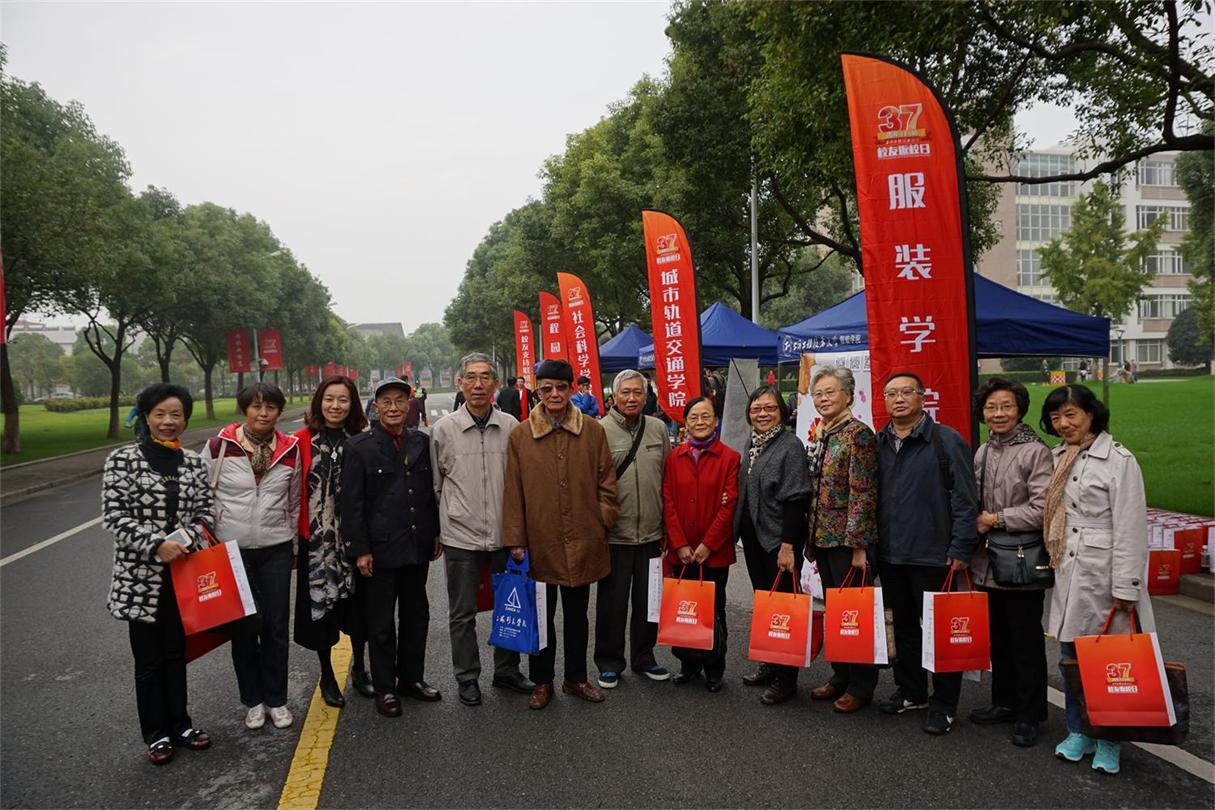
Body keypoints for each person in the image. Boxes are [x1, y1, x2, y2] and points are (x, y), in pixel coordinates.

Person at [1043, 384, 1153, 775]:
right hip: (1069, 571)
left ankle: (1110, 738)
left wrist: (1126, 586)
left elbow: (1131, 527)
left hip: (1105, 573)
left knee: (1112, 663)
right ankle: (1079, 729)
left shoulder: (1119, 460)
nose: (1064, 423)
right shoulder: (1057, 457)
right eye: (1056, 417)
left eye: (1071, 414)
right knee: (1072, 658)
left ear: (1091, 414)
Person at [103, 383, 214, 765]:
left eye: (176, 414)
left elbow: (206, 513)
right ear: (147, 417)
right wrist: (155, 545)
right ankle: (156, 734)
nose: (168, 421)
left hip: (182, 574)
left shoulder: (194, 463)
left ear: (185, 418)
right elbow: (115, 516)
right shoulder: (122, 460)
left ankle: (181, 725)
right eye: (160, 414)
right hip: (140, 580)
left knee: (175, 653)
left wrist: (182, 541)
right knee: (148, 660)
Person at [502, 359, 619, 710]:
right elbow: (513, 491)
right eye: (547, 388)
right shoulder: (521, 435)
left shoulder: (593, 431)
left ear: (571, 390)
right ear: (537, 391)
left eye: (561, 387)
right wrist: (516, 539)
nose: (554, 394)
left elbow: (607, 481)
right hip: (540, 540)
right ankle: (542, 680)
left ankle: (576, 677)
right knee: (541, 615)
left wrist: (602, 519)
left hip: (584, 537)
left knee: (577, 615)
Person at [874, 372, 979, 735]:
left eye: (907, 392)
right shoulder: (879, 442)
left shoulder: (946, 441)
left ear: (922, 398)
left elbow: (965, 499)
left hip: (934, 554)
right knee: (903, 627)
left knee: (941, 632)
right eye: (891, 394)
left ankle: (945, 703)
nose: (899, 399)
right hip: (891, 553)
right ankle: (911, 690)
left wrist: (962, 546)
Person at [431, 353, 534, 707]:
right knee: (462, 613)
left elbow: (521, 482)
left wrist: (520, 532)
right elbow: (436, 485)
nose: (478, 384)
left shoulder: (511, 426)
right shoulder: (443, 430)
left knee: (510, 606)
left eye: (485, 377)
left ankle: (506, 671)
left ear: (495, 383)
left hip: (506, 535)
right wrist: (443, 527)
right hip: (461, 535)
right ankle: (467, 677)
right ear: (460, 382)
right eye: (471, 377)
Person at [341, 377, 443, 717]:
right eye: (386, 402)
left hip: (415, 545)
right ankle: (385, 688)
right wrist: (360, 550)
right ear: (376, 407)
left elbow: (427, 493)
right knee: (381, 623)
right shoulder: (359, 447)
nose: (394, 407)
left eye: (400, 400)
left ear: (409, 404)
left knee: (416, 616)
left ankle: (411, 679)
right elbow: (352, 504)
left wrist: (434, 532)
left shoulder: (421, 441)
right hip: (380, 551)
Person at [205, 382, 302, 731]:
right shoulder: (219, 446)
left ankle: (276, 699)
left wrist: (293, 544)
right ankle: (253, 700)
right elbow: (203, 495)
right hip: (232, 551)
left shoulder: (290, 449)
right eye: (256, 406)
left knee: (276, 626)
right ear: (244, 409)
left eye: (270, 407)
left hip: (276, 548)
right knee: (245, 627)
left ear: (279, 411)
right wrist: (210, 541)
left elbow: (294, 499)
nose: (263, 413)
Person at [968, 377, 1054, 747]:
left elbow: (1043, 508)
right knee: (998, 638)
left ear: (1020, 409)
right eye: (991, 407)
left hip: (1021, 559)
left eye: (1006, 406)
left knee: (1025, 640)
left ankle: (1030, 714)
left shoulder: (1035, 452)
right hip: (988, 561)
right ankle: (1003, 703)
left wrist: (996, 519)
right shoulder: (983, 451)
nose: (998, 413)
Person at [291, 375, 371, 709]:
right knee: (321, 612)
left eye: (343, 400)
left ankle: (360, 669)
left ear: (352, 404)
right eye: (329, 399)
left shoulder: (362, 439)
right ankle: (327, 675)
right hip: (316, 546)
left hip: (355, 541)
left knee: (361, 611)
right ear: (319, 402)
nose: (335, 406)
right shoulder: (300, 441)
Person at [804, 367, 879, 713]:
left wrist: (859, 546)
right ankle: (841, 675)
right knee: (836, 613)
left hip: (847, 543)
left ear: (848, 396)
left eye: (830, 392)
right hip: (822, 538)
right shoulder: (823, 433)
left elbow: (863, 492)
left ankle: (861, 685)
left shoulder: (858, 434)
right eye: (818, 394)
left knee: (854, 614)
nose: (823, 399)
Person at [595, 370, 671, 688]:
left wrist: (667, 527)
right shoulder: (599, 430)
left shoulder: (658, 428)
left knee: (648, 601)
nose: (631, 398)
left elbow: (668, 479)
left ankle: (644, 657)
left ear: (646, 395)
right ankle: (609, 662)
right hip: (616, 534)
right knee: (612, 604)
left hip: (652, 533)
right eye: (625, 392)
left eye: (637, 392)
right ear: (614, 396)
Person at [736, 385, 811, 705]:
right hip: (754, 539)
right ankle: (770, 662)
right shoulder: (753, 443)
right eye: (756, 409)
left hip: (779, 540)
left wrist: (788, 546)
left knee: (784, 609)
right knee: (766, 605)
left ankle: (787, 678)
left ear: (782, 411)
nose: (762, 414)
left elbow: (796, 499)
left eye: (769, 408)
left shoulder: (790, 446)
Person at [662, 396, 739, 692]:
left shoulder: (729, 458)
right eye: (693, 416)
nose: (700, 421)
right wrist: (679, 543)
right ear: (686, 422)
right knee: (685, 607)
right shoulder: (674, 457)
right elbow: (668, 501)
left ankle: (714, 667)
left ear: (716, 420)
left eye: (706, 416)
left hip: (713, 553)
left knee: (714, 609)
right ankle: (688, 664)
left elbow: (729, 505)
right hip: (682, 551)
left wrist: (708, 544)